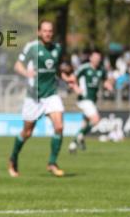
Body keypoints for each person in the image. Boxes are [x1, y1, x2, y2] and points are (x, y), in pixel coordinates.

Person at [8, 20, 79, 178]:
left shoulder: (57, 49)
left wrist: (67, 79)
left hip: (51, 94)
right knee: (27, 132)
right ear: (39, 32)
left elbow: (56, 69)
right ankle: (13, 158)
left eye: (50, 31)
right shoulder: (32, 47)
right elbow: (17, 65)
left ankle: (52, 163)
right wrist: (26, 73)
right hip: (34, 97)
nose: (48, 33)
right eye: (45, 31)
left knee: (59, 127)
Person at [70, 50, 113, 152]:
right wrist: (76, 88)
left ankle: (77, 142)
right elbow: (72, 78)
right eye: (95, 58)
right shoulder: (84, 68)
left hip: (93, 100)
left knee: (85, 123)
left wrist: (109, 85)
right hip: (84, 99)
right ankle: (77, 138)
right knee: (96, 119)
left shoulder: (101, 70)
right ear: (91, 58)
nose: (97, 60)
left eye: (99, 58)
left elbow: (105, 81)